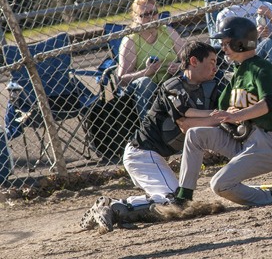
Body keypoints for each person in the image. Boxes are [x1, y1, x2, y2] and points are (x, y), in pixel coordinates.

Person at [80, 41, 221, 233]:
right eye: (211, 61)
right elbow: (186, 125)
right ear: (194, 61)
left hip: (154, 158)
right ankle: (111, 206)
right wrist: (222, 116)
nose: (215, 66)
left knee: (177, 200)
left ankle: (114, 206)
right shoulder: (174, 86)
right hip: (142, 155)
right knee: (174, 200)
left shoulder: (209, 87)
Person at [165, 16, 272, 207]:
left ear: (240, 43)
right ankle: (183, 196)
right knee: (194, 135)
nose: (222, 48)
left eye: (226, 43)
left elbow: (268, 104)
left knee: (219, 185)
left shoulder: (261, 69)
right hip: (243, 140)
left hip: (268, 144)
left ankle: (268, 196)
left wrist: (236, 116)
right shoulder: (237, 72)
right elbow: (221, 111)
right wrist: (206, 118)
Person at [117, 0, 186, 120]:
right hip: (145, 86)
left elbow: (189, 59)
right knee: (145, 82)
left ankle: (187, 118)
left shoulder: (167, 31)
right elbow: (121, 79)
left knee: (186, 72)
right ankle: (149, 126)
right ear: (136, 18)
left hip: (170, 79)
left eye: (153, 13)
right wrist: (146, 72)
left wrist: (179, 66)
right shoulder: (130, 40)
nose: (150, 18)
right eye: (144, 15)